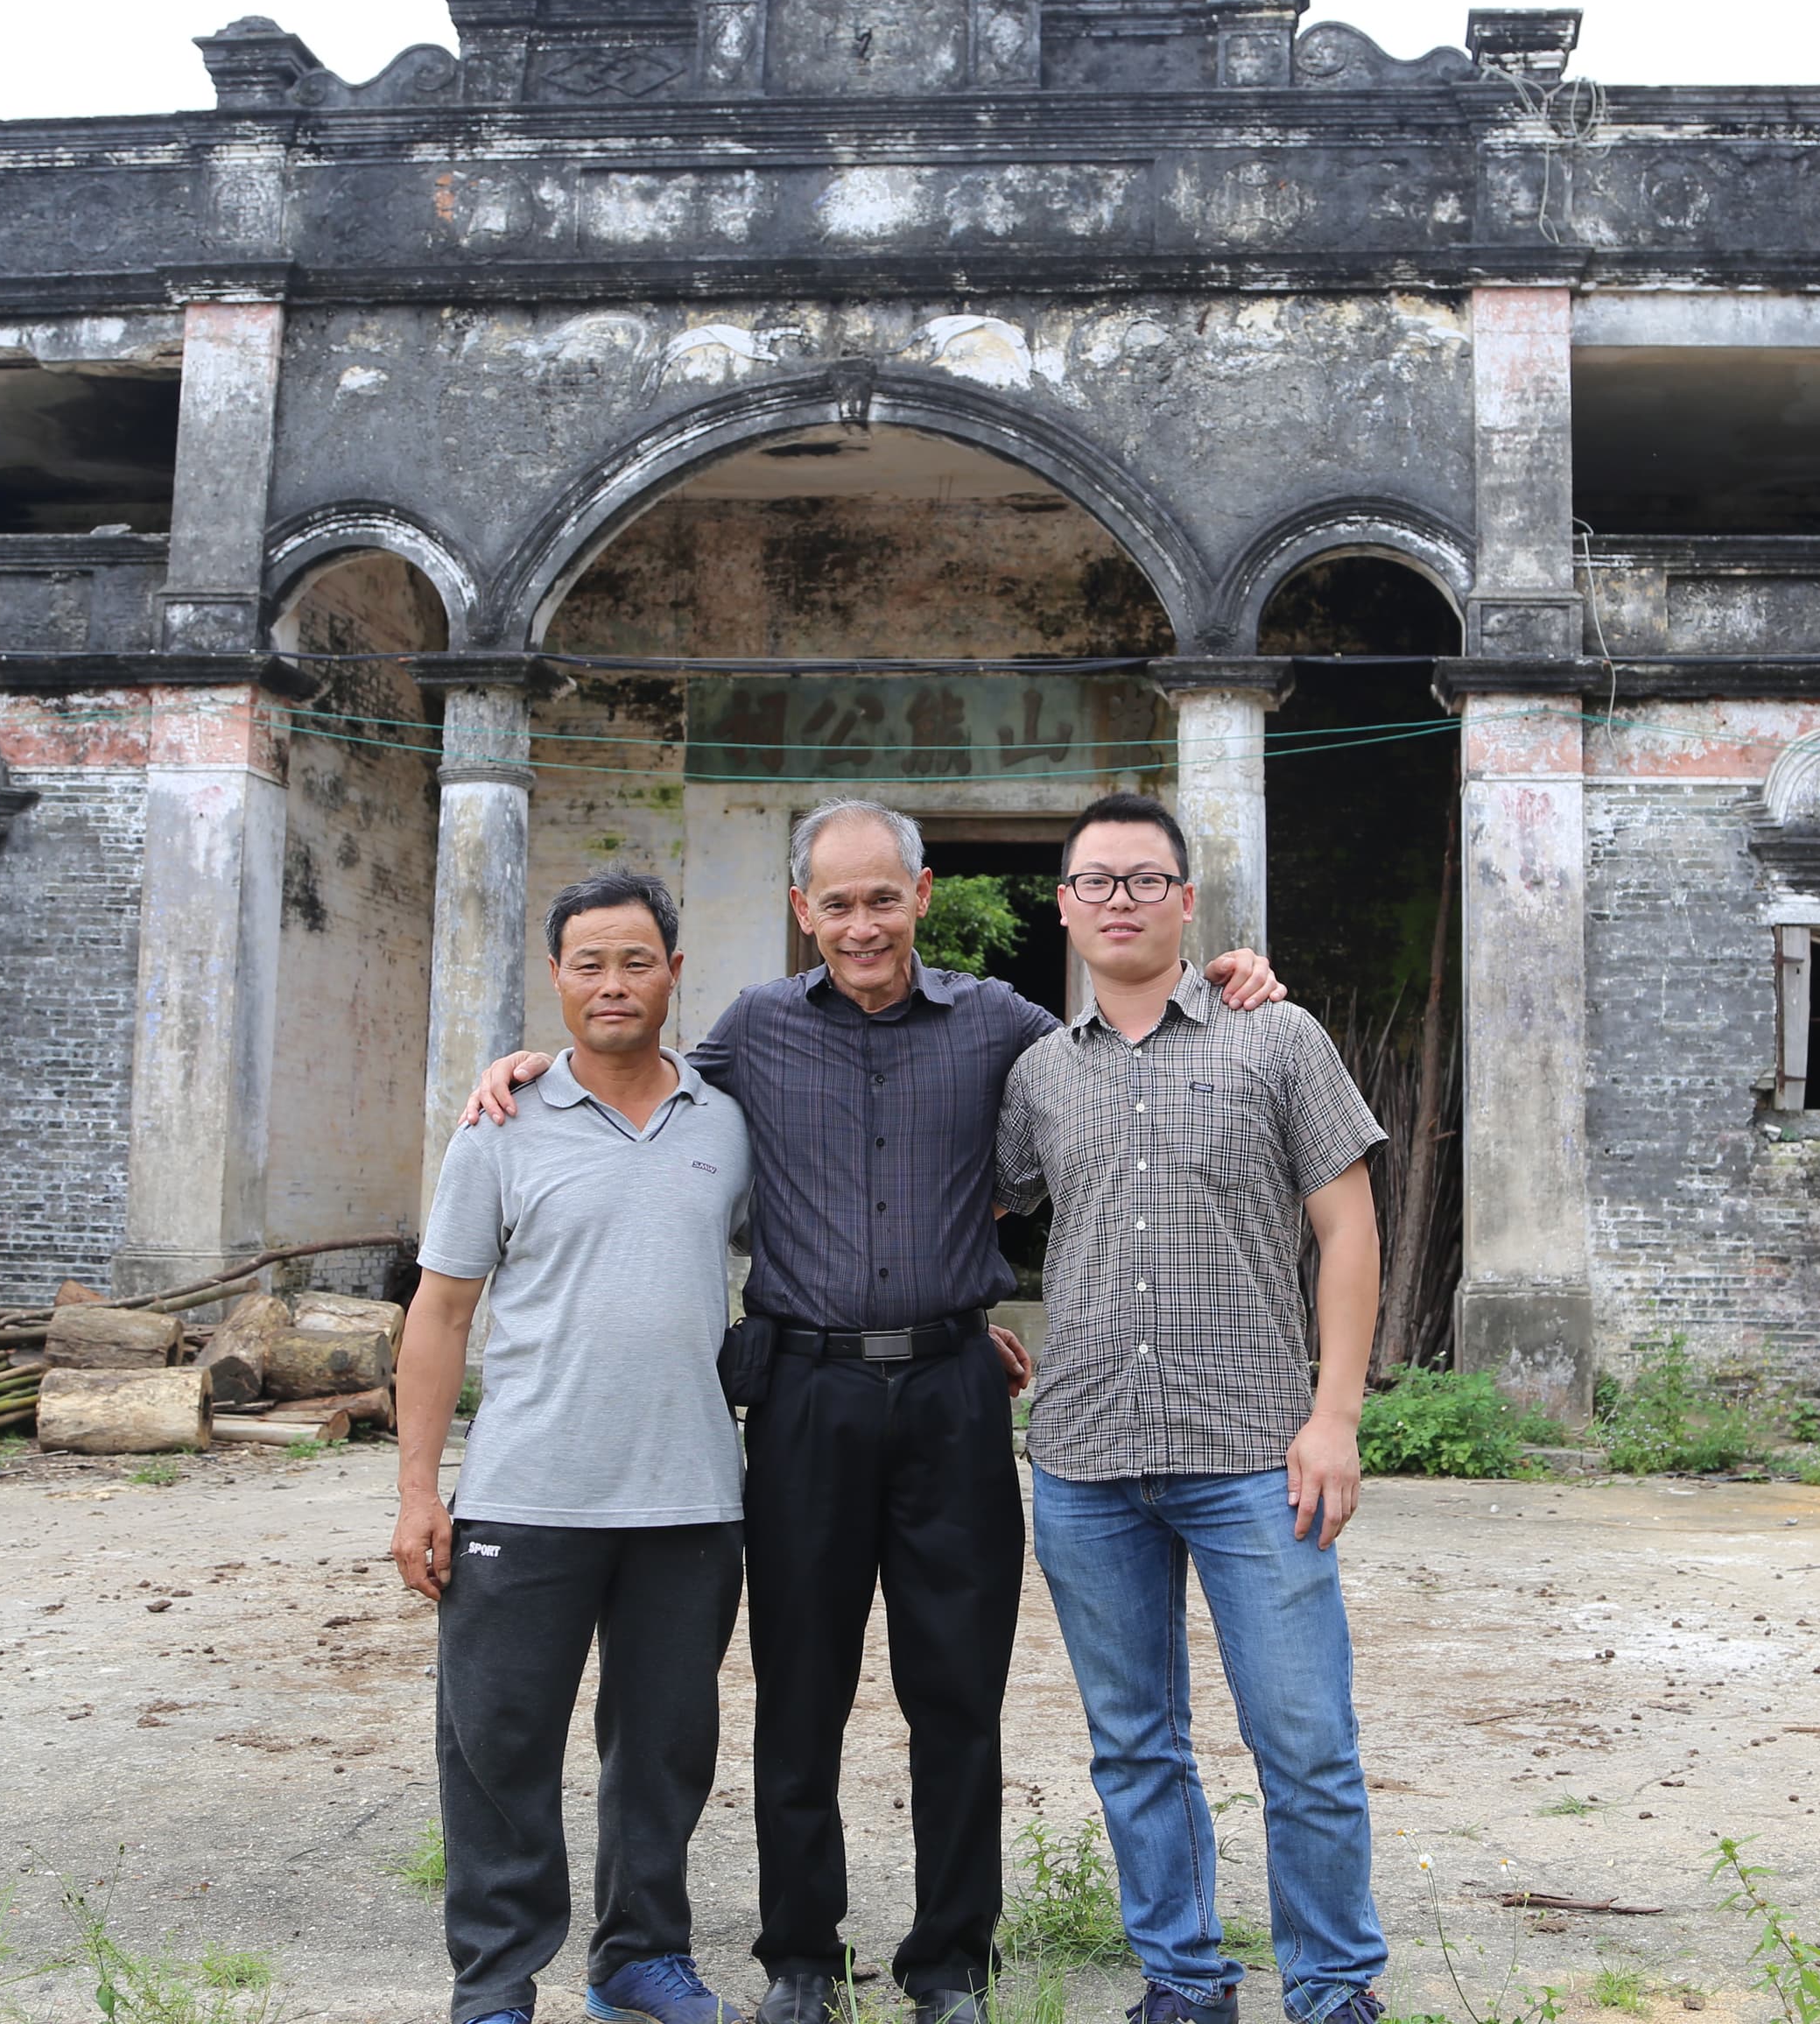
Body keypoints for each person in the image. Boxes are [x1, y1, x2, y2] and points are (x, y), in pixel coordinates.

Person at [463, 799, 1284, 2024]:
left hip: (955, 1395)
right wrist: (522, 1068)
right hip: (804, 1396)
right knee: (801, 1690)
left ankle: (949, 1965)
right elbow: (633, 1073)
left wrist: (1227, 975)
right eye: (835, 903)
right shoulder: (751, 1033)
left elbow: (1123, 1031)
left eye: (882, 899)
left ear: (922, 895)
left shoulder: (1003, 1024)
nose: (861, 925)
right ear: (805, 911)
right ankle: (802, 1957)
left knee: (957, 1694)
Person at [994, 792, 1391, 2024]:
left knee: (1306, 1743)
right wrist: (966, 1322)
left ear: (1184, 901)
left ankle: (1330, 1989)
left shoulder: (1278, 1041)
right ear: (1064, 906)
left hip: (1257, 1455)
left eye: (1144, 879)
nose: (1120, 899)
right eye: (1097, 881)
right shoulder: (1036, 1074)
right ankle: (1185, 1979)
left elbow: (1348, 1229)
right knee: (1134, 1747)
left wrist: (1336, 1416)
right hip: (1086, 1457)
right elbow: (963, 1210)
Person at [395, 870, 754, 2024]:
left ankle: (639, 1954)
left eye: (635, 960)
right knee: (498, 1751)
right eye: (588, 963)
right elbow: (441, 1314)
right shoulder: (502, 1126)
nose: (612, 983)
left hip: (690, 1497)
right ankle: (497, 1984)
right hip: (524, 1495)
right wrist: (417, 1493)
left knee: (664, 1752)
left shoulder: (726, 1122)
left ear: (674, 973)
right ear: (555, 978)